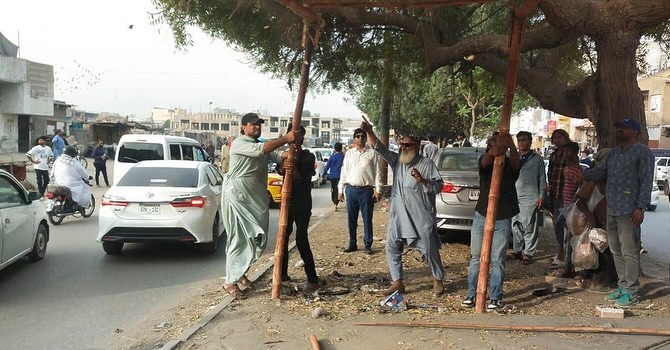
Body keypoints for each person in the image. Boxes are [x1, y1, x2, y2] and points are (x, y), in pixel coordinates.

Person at [221, 113, 302, 299]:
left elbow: (279, 156)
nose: (257, 127)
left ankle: (240, 273)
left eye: (259, 125)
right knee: (238, 239)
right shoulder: (240, 144)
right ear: (244, 127)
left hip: (255, 199)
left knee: (256, 238)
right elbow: (264, 149)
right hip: (237, 198)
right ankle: (229, 281)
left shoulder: (262, 144)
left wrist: (290, 153)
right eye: (253, 124)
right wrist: (285, 138)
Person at [360, 122, 446, 296]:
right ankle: (397, 282)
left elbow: (439, 187)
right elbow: (379, 148)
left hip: (420, 218)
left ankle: (438, 279)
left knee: (429, 250)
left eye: (408, 145)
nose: (403, 148)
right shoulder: (397, 162)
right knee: (392, 247)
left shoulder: (427, 164)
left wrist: (422, 180)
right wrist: (369, 131)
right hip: (398, 217)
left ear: (417, 146)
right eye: (402, 145)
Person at [582, 118, 654, 307]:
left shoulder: (643, 153)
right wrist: (582, 174)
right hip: (612, 208)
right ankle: (622, 286)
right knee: (615, 249)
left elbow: (646, 182)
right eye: (619, 127)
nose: (620, 130)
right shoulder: (614, 153)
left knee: (629, 251)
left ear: (635, 132)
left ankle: (632, 292)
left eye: (624, 127)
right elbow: (601, 172)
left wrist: (641, 207)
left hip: (629, 210)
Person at [462, 130, 520, 310]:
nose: (496, 145)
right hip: (482, 214)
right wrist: (494, 149)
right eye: (493, 142)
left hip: (502, 216)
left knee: (498, 258)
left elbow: (518, 165)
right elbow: (485, 161)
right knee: (476, 257)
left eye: (499, 142)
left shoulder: (509, 164)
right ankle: (472, 294)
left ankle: (495, 297)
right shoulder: (485, 161)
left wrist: (510, 144)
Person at [278, 124, 321, 291]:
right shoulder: (283, 156)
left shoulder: (308, 157)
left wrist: (292, 167)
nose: (297, 140)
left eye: (300, 136)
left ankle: (313, 279)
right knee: (283, 238)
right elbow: (281, 170)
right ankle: (282, 274)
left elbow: (302, 178)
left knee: (301, 240)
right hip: (286, 203)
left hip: (302, 204)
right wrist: (285, 165)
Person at [338, 128, 382, 254]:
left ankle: (368, 244)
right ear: (354, 138)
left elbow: (378, 173)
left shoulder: (372, 153)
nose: (360, 138)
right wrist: (340, 190)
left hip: (367, 191)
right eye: (357, 136)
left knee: (367, 219)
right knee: (351, 218)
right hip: (351, 190)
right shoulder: (349, 154)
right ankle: (352, 243)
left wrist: (378, 190)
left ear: (365, 138)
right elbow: (344, 172)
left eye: (362, 136)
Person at [511, 131, 546, 265]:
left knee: (530, 226)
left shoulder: (537, 159)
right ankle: (517, 250)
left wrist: (542, 196)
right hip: (514, 196)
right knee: (515, 225)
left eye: (525, 140)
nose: (522, 143)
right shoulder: (514, 158)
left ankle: (528, 253)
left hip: (531, 197)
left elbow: (542, 178)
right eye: (519, 140)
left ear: (530, 141)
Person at [546, 129, 571, 266]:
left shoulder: (569, 153)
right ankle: (560, 250)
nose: (557, 140)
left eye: (559, 137)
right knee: (557, 223)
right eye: (554, 137)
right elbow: (550, 173)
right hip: (555, 193)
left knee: (566, 224)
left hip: (566, 194)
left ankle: (565, 255)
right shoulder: (554, 155)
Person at [322, 142, 345, 211]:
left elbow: (327, 166)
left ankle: (335, 203)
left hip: (332, 176)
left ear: (335, 149)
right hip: (340, 176)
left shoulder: (332, 157)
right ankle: (338, 199)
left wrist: (323, 174)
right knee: (339, 188)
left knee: (333, 189)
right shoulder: (343, 156)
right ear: (341, 148)